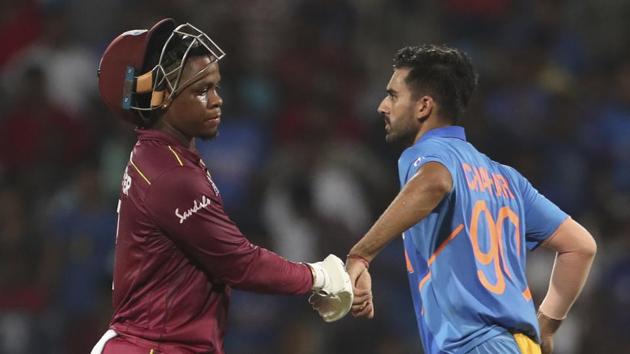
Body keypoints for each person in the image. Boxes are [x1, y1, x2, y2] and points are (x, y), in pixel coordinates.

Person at [91, 18, 352, 354]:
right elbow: (240, 263)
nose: (217, 101)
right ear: (158, 98)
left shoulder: (162, 156)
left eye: (215, 87)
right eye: (201, 90)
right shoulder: (172, 176)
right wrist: (318, 276)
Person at [346, 45, 597, 354]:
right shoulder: (508, 179)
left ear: (424, 106)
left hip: (471, 345)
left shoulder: (424, 155)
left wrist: (361, 255)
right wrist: (546, 324)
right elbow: (580, 246)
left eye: (393, 95)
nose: (382, 106)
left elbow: (434, 182)